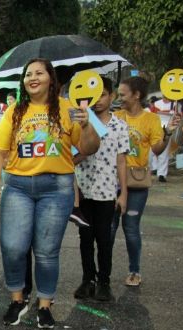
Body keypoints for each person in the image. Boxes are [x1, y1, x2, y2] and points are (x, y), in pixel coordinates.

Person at [0, 58, 100, 329]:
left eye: (39, 73)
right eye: (28, 74)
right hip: (17, 187)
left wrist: (86, 126)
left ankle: (45, 305)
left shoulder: (69, 109)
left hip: (56, 188)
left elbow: (90, 147)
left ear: (51, 78)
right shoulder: (14, 111)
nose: (32, 78)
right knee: (13, 247)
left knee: (47, 251)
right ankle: (17, 300)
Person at [111, 77, 180, 287]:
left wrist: (168, 132)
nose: (119, 98)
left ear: (136, 95)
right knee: (109, 228)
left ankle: (134, 271)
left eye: (123, 94)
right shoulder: (116, 116)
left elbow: (157, 149)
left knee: (130, 227)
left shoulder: (151, 120)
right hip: (112, 181)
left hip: (137, 181)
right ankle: (101, 273)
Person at [72, 77, 129, 302]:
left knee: (104, 239)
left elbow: (122, 161)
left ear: (111, 96)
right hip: (83, 190)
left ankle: (104, 281)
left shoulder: (119, 126)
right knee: (85, 237)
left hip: (107, 192)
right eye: (94, 95)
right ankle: (88, 280)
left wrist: (123, 193)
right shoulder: (80, 123)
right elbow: (72, 158)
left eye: (103, 94)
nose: (99, 100)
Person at [151, 95, 173, 182]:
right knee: (152, 149)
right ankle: (154, 167)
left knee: (164, 151)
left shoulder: (174, 104)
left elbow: (178, 116)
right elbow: (152, 115)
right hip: (156, 129)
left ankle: (162, 174)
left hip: (167, 130)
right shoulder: (157, 104)